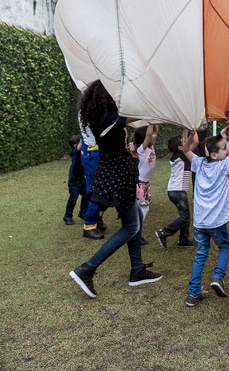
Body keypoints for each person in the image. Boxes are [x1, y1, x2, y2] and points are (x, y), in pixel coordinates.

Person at [69, 81, 162, 299]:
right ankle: (87, 269)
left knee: (136, 217)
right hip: (119, 176)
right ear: (106, 98)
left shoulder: (99, 117)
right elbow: (142, 110)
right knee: (131, 226)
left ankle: (137, 270)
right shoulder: (110, 119)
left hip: (117, 174)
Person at [184, 125, 229, 307]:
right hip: (216, 222)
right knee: (225, 246)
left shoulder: (199, 163)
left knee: (201, 254)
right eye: (225, 148)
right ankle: (218, 276)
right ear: (214, 155)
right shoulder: (223, 166)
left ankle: (193, 294)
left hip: (200, 221)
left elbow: (185, 149)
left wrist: (192, 135)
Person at [76, 85, 106, 239]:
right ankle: (89, 225)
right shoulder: (89, 111)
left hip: (94, 152)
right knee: (95, 189)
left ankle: (97, 216)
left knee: (104, 187)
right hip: (92, 153)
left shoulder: (87, 110)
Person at [156, 135, 195, 248]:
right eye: (184, 142)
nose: (186, 142)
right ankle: (163, 233)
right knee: (185, 216)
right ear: (180, 147)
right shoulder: (182, 154)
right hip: (177, 191)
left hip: (176, 190)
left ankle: (183, 240)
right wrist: (193, 132)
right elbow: (196, 141)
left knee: (186, 215)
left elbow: (186, 137)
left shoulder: (178, 155)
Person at [133, 124, 158, 230]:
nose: (154, 136)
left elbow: (155, 132)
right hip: (139, 183)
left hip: (145, 183)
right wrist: (151, 121)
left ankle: (135, 229)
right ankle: (135, 230)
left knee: (141, 208)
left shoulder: (151, 147)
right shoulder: (141, 150)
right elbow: (149, 134)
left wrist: (155, 120)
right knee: (144, 208)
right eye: (152, 135)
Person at [64, 135, 85, 226]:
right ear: (75, 145)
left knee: (87, 195)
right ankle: (67, 216)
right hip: (74, 181)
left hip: (81, 179)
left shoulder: (82, 152)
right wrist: (84, 135)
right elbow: (80, 145)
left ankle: (83, 212)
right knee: (73, 199)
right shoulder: (73, 152)